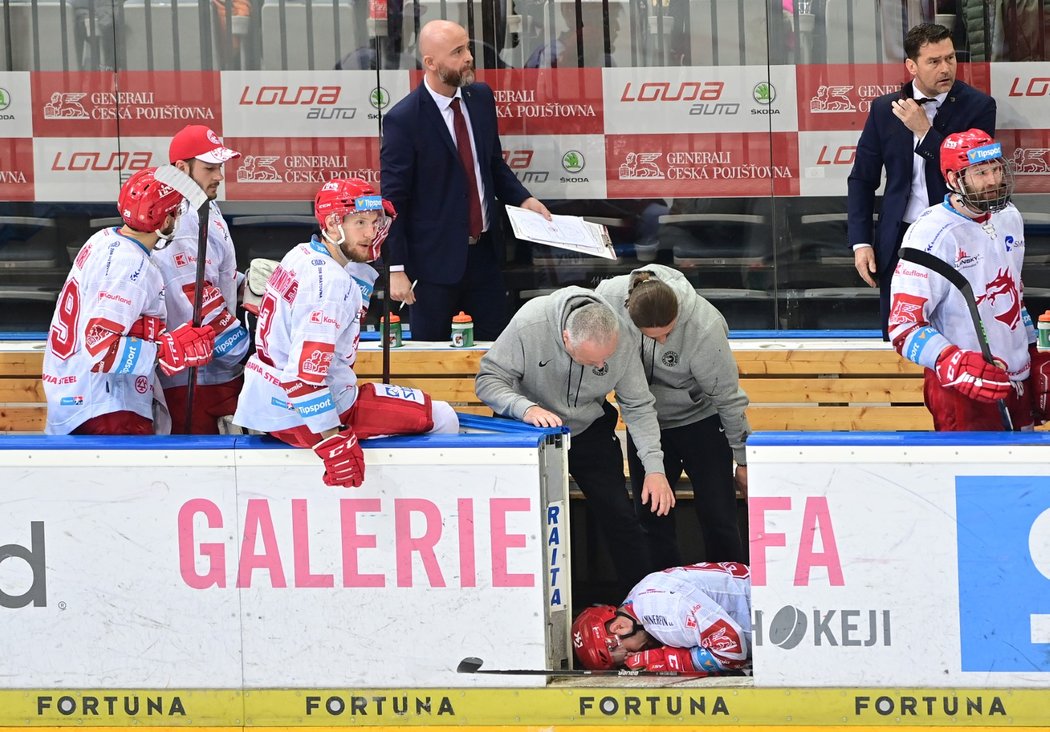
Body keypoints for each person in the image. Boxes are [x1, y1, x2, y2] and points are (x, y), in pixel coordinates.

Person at [232, 178, 459, 488]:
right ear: (333, 224)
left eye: (375, 222)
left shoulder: (302, 253)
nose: (371, 232)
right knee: (444, 417)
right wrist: (332, 441)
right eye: (360, 222)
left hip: (270, 402)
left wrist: (363, 269)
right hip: (307, 413)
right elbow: (304, 378)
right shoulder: (330, 283)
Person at [475, 287, 673, 599]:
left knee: (621, 516)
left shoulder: (621, 338)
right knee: (523, 524)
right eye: (590, 361)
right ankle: (516, 601)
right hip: (528, 429)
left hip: (587, 427)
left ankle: (641, 609)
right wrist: (524, 408)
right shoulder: (530, 323)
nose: (598, 368)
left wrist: (655, 468)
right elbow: (488, 380)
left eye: (604, 360)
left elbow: (638, 406)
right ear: (567, 339)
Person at [380, 19, 551, 342]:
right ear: (430, 63)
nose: (469, 57)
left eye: (467, 47)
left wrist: (525, 200)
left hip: (484, 255)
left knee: (494, 351)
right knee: (432, 357)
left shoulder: (480, 98)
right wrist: (396, 269)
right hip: (432, 266)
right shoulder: (405, 120)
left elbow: (492, 165)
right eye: (457, 52)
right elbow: (393, 201)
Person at [888, 129, 1050, 431]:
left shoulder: (1009, 216)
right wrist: (949, 361)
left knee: (1025, 477)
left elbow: (1014, 296)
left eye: (995, 169)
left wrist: (1032, 351)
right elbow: (903, 327)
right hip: (963, 389)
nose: (993, 180)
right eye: (980, 172)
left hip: (1017, 379)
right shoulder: (931, 234)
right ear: (952, 179)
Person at [847, 22, 995, 338]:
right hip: (900, 236)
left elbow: (974, 177)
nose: (946, 68)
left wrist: (924, 132)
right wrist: (861, 242)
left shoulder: (979, 106)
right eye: (934, 61)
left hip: (958, 236)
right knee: (902, 335)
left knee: (960, 334)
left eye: (950, 58)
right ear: (912, 66)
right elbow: (862, 178)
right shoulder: (884, 109)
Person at [595, 265, 749, 568]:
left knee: (719, 515)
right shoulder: (607, 302)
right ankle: (663, 598)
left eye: (669, 332)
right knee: (652, 515)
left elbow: (729, 399)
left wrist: (743, 460)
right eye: (653, 336)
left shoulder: (705, 325)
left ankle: (729, 592)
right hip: (644, 424)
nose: (663, 341)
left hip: (701, 421)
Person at [43, 168, 216, 435]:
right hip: (107, 409)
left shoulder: (103, 240)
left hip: (77, 399)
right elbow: (100, 347)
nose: (178, 217)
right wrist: (165, 349)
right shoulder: (130, 266)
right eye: (175, 212)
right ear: (163, 219)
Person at [154, 124, 250, 434]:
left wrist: (249, 285)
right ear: (181, 168)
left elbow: (215, 276)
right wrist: (243, 351)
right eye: (210, 168)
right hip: (196, 379)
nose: (219, 175)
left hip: (212, 373)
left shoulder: (204, 207)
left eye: (220, 166)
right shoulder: (181, 221)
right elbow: (196, 299)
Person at [572, 562, 751, 674]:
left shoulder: (663, 613)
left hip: (771, 610)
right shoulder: (636, 599)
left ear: (620, 627)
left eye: (626, 654)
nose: (633, 658)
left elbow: (732, 649)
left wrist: (678, 660)